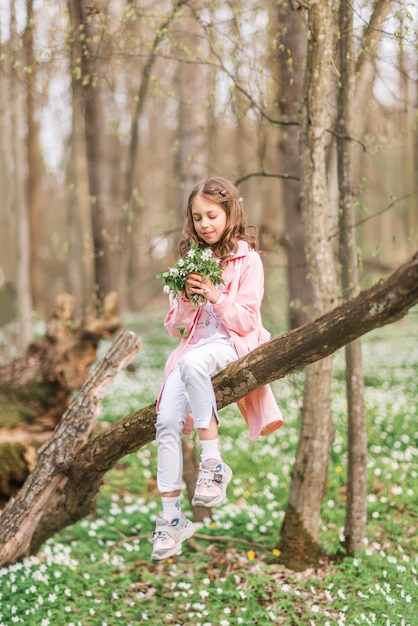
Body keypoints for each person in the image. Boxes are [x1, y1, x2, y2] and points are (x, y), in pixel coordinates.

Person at [152, 176, 283, 560]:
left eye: (212, 215)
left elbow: (246, 321)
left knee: (195, 363)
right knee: (166, 422)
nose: (204, 224)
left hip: (230, 345)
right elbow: (176, 329)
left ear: (229, 213)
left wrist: (215, 294)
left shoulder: (248, 260)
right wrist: (189, 301)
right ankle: (171, 520)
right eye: (197, 218)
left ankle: (213, 463)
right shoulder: (190, 262)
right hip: (192, 348)